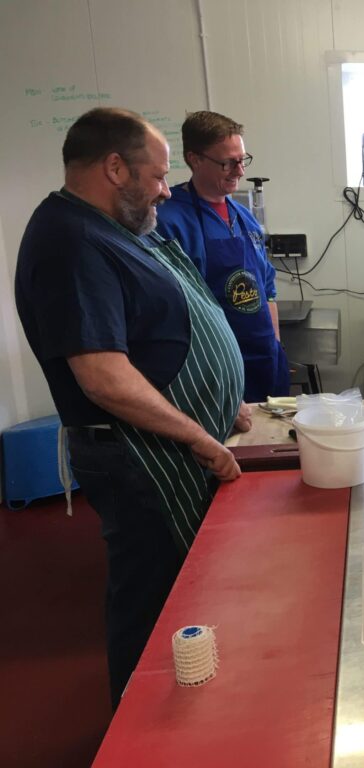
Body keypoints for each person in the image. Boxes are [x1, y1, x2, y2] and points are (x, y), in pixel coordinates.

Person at [14, 107, 246, 707]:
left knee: (183, 595)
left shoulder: (115, 228)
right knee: (150, 601)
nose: (166, 191)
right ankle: (140, 732)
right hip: (140, 459)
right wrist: (198, 435)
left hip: (166, 446)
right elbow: (104, 377)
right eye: (160, 175)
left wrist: (225, 400)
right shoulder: (70, 240)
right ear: (115, 167)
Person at [156, 110, 289, 403]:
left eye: (243, 160)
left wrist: (274, 346)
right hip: (214, 371)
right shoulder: (169, 220)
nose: (240, 171)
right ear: (195, 159)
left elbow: (267, 289)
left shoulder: (245, 219)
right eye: (228, 163)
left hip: (263, 359)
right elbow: (174, 310)